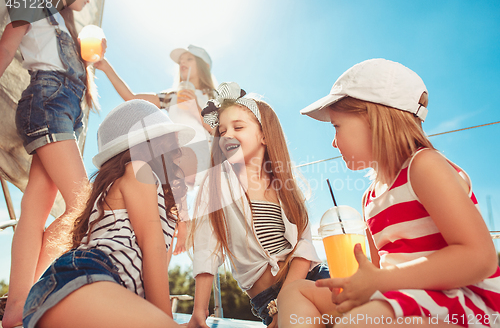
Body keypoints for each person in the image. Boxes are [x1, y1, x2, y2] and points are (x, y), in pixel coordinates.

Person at [277, 58, 500, 328]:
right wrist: (366, 286)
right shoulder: (369, 198)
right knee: (296, 291)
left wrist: (380, 283)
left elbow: (481, 258)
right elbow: (379, 272)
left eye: (336, 126)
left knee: (357, 322)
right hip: (400, 301)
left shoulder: (424, 166)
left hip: (461, 305)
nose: (333, 142)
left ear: (373, 119)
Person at [21, 99, 195, 328]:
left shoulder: (148, 194)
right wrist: (165, 319)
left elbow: (152, 262)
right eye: (170, 142)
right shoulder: (138, 169)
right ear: (152, 144)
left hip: (69, 291)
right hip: (84, 278)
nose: (177, 151)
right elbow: (151, 245)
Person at [187, 82, 329, 328]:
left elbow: (303, 246)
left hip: (310, 279)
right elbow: (206, 249)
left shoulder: (286, 187)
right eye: (221, 130)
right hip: (267, 299)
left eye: (238, 126)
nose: (227, 134)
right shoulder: (218, 187)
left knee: (360, 314)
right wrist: (199, 311)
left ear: (264, 135)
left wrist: (286, 301)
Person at [0, 0, 99, 327]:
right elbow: (6, 48)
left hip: (68, 111)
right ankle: (29, 297)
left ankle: (18, 306)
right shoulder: (31, 0)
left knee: (36, 208)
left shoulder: (67, 24)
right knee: (83, 205)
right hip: (48, 102)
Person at [94, 44, 216, 256]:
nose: (183, 64)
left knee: (174, 162)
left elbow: (218, 129)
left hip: (201, 158)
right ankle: (177, 224)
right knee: (163, 171)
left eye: (189, 59)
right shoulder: (173, 95)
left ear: (203, 66)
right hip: (175, 160)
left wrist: (196, 107)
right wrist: (106, 67)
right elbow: (133, 100)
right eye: (181, 61)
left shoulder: (211, 95)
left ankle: (183, 222)